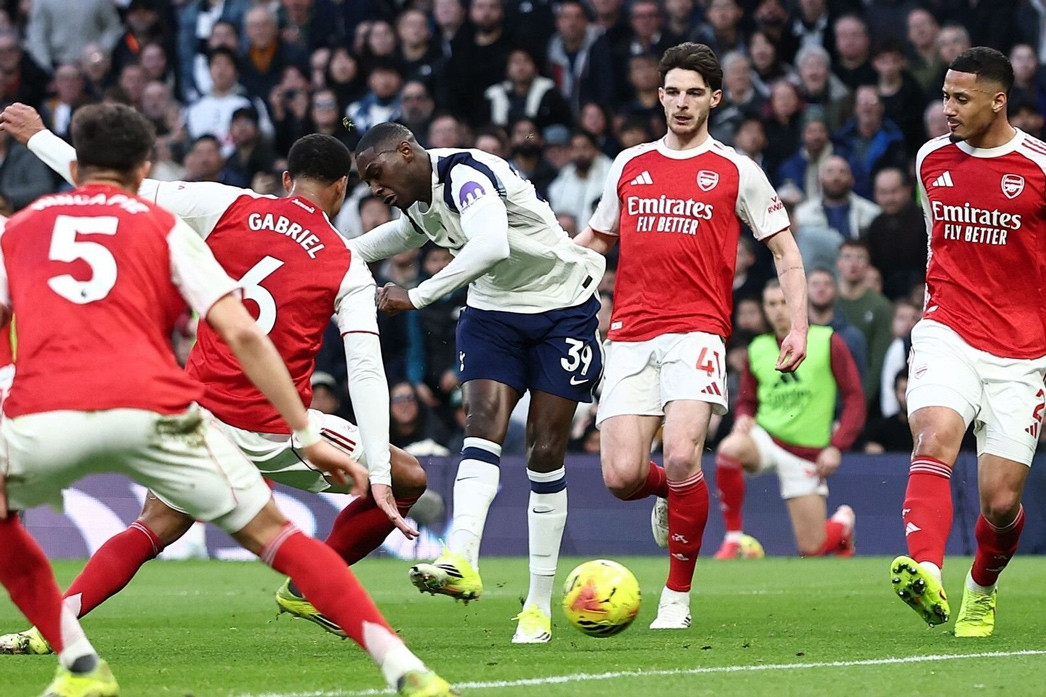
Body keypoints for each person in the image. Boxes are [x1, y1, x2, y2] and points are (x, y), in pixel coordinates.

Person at [0, 103, 454, 697]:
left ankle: (54, 630)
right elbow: (366, 368)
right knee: (409, 477)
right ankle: (315, 595)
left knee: (151, 528)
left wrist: (39, 138)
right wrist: (376, 471)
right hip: (280, 426)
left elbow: (111, 191)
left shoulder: (227, 205)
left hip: (199, 418)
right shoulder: (346, 262)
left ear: (287, 179)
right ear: (342, 189)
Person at [574, 42, 808, 629]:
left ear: (714, 99)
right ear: (659, 95)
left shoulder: (736, 169)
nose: (682, 103)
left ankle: (676, 598)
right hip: (627, 334)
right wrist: (536, 271)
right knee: (622, 476)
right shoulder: (629, 164)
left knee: (682, 454)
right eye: (672, 92)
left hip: (697, 332)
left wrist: (798, 323)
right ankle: (668, 494)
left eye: (694, 93)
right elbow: (597, 241)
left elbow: (784, 250)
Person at [351, 120, 605, 644]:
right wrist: (337, 252)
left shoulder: (466, 174)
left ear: (406, 151)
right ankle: (460, 556)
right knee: (483, 422)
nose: (374, 189)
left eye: (376, 173)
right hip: (493, 312)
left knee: (544, 451)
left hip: (562, 308)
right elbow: (402, 235)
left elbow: (490, 245)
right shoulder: (418, 198)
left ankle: (537, 605)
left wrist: (418, 295)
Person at [891, 46, 1046, 639]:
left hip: (1022, 353)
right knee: (933, 436)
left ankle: (981, 588)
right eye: (945, 96)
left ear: (997, 100)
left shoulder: (1036, 168)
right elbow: (939, 245)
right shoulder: (932, 160)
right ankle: (926, 569)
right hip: (947, 329)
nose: (947, 109)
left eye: (961, 98)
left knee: (1001, 503)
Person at [713, 280, 864, 558]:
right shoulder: (757, 348)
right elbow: (747, 399)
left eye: (784, 302)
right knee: (729, 450)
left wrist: (836, 446)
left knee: (812, 548)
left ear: (798, 302)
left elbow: (855, 398)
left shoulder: (827, 341)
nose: (779, 311)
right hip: (767, 436)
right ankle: (733, 537)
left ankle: (842, 524)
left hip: (807, 450)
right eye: (771, 304)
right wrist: (743, 417)